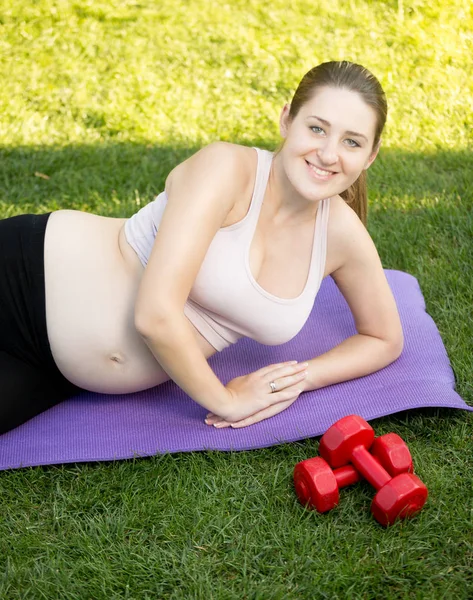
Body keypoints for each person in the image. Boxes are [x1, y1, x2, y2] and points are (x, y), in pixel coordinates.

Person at [0, 60, 403, 435]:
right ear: (286, 120)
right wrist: (225, 400)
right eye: (317, 128)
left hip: (55, 368)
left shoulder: (343, 236)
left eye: (352, 142)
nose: (329, 154)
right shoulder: (226, 170)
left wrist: (292, 381)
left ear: (371, 155)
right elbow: (155, 314)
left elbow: (385, 338)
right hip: (25, 279)